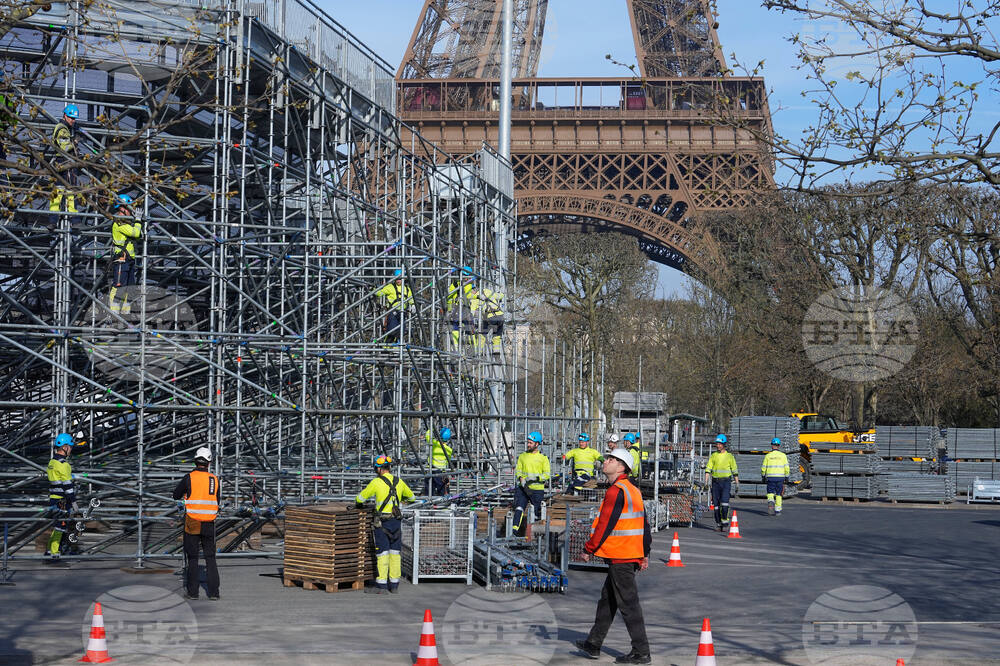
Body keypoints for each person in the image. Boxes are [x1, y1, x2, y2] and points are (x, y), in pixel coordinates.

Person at [575, 447, 652, 664]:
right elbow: (644, 525)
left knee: (629, 605)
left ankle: (641, 651)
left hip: (621, 556)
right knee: (608, 600)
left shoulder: (616, 491)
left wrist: (588, 549)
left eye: (611, 459)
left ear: (621, 467)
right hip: (628, 555)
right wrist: (644, 553)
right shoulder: (632, 490)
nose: (606, 461)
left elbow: (605, 525)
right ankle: (594, 643)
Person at [356, 455, 415, 593]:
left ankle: (381, 586)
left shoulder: (376, 482)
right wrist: (403, 501)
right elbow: (412, 497)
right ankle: (394, 585)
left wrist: (359, 504)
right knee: (395, 553)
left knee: (382, 553)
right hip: (396, 522)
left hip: (382, 523)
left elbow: (360, 498)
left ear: (379, 469)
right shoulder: (399, 481)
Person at [173, 446, 220, 600]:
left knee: (193, 558)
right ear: (209, 462)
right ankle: (214, 593)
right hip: (209, 523)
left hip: (192, 521)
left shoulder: (189, 478)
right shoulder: (214, 479)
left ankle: (193, 592)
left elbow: (176, 494)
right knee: (210, 558)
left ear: (195, 461)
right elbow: (216, 500)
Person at [45, 433, 78, 562]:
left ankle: (49, 550)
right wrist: (73, 501)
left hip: (54, 498)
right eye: (70, 447)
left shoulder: (52, 463)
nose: (71, 449)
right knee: (61, 526)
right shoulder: (64, 464)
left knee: (57, 525)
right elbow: (67, 485)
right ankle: (54, 553)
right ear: (65, 447)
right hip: (62, 500)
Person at [513, 431, 550, 536]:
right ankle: (514, 532)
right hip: (523, 488)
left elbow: (547, 474)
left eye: (530, 443)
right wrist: (521, 478)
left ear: (537, 444)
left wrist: (536, 477)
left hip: (537, 489)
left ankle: (537, 535)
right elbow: (518, 470)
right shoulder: (523, 456)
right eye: (528, 442)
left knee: (537, 511)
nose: (528, 444)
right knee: (519, 508)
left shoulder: (543, 458)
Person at [109, 194, 142, 313]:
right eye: (129, 208)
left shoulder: (125, 223)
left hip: (128, 259)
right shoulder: (119, 223)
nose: (131, 211)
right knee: (119, 286)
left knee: (129, 289)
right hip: (122, 260)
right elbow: (136, 233)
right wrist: (138, 221)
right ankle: (114, 314)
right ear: (122, 208)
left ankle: (125, 313)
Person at [49, 104, 80, 217]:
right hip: (64, 161)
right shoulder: (61, 128)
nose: (73, 120)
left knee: (60, 189)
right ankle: (74, 219)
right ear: (65, 115)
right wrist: (75, 141)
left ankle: (53, 220)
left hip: (63, 162)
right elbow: (65, 147)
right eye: (71, 118)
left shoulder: (66, 128)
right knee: (69, 189)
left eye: (74, 118)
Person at [705, 434, 739, 532]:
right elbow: (708, 469)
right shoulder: (714, 456)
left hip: (726, 482)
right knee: (716, 506)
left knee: (724, 504)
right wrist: (706, 482)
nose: (718, 445)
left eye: (720, 444)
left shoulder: (729, 456)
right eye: (717, 443)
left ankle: (725, 522)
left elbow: (735, 470)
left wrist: (737, 483)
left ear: (724, 444)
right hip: (715, 483)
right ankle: (718, 523)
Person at [376, 269, 413, 343]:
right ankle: (387, 346)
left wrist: (413, 305)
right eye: (397, 278)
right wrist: (374, 290)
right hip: (393, 312)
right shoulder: (390, 287)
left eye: (400, 278)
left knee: (401, 331)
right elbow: (380, 293)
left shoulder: (407, 289)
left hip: (402, 312)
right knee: (392, 330)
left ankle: (396, 345)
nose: (398, 280)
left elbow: (411, 299)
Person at [761, 437, 790, 516]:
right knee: (779, 494)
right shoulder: (783, 456)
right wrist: (787, 476)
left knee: (770, 492)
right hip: (780, 478)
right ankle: (777, 510)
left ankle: (771, 501)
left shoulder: (768, 456)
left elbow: (764, 467)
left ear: (772, 445)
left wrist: (763, 476)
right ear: (779, 445)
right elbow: (786, 467)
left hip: (770, 477)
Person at [425, 427, 453, 496]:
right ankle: (443, 503)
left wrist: (431, 428)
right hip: (441, 472)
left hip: (430, 469)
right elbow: (447, 461)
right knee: (443, 490)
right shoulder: (449, 450)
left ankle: (428, 503)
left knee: (429, 489)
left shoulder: (434, 444)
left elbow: (428, 436)